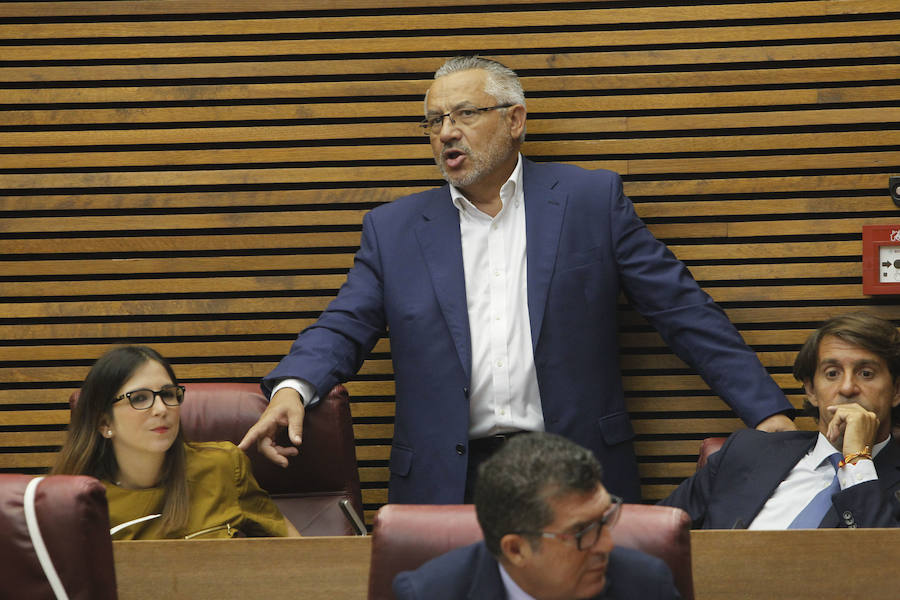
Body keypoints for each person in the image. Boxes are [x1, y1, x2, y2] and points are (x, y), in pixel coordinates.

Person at [241, 55, 794, 504]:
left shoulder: (589, 202)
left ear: (515, 119)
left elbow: (683, 312)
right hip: (446, 481)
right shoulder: (395, 229)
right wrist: (293, 388)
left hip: (572, 464)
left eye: (463, 115)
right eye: (434, 122)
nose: (446, 134)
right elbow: (343, 325)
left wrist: (767, 414)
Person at [659, 312, 900, 529]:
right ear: (811, 390)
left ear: (896, 391)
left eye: (866, 373)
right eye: (832, 374)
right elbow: (651, 532)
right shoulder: (745, 451)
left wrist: (858, 460)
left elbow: (889, 567)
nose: (847, 388)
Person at [393, 432, 681, 600]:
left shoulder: (646, 586)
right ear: (516, 549)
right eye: (582, 531)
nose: (606, 544)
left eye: (604, 519)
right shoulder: (429, 594)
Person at [52, 345, 300, 539]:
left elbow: (297, 553)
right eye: (139, 398)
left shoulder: (221, 468)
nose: (161, 409)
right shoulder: (72, 501)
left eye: (168, 394)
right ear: (105, 423)